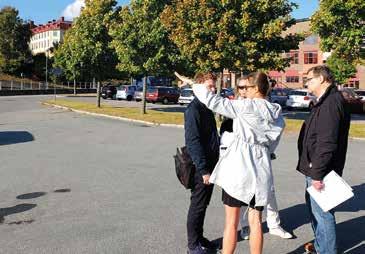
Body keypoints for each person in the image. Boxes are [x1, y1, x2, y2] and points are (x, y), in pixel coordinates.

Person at [177, 71, 285, 254]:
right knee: (256, 221)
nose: (243, 91)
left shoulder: (245, 107)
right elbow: (273, 145)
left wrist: (191, 84)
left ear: (256, 88)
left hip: (239, 169)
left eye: (246, 87)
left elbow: (214, 102)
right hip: (261, 169)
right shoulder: (276, 112)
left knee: (231, 222)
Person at [296, 65, 350, 254]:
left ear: (322, 79)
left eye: (309, 79)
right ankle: (321, 247)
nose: (307, 83)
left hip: (321, 170)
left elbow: (327, 143)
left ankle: (327, 250)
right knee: (316, 212)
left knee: (323, 214)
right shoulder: (325, 100)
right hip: (316, 168)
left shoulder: (330, 103)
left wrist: (317, 174)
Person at [234, 77, 292, 240]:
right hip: (241, 158)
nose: (244, 90)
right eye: (241, 87)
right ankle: (245, 226)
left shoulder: (263, 106)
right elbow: (227, 132)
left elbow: (275, 130)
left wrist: (268, 150)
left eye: (247, 87)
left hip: (261, 156)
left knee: (269, 191)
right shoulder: (236, 106)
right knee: (243, 193)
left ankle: (274, 224)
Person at [184, 72, 220, 254]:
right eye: (210, 86)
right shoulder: (194, 110)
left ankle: (200, 238)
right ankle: (193, 245)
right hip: (201, 168)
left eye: (214, 86)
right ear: (199, 88)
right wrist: (204, 170)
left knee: (203, 204)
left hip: (211, 165)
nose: (214, 89)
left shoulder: (206, 107)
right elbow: (193, 142)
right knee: (197, 205)